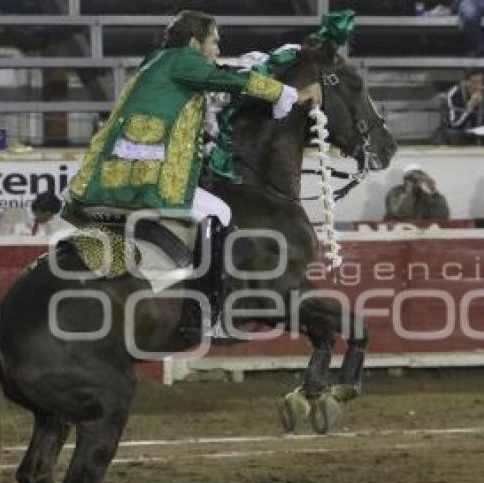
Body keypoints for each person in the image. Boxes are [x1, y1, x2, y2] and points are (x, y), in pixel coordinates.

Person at [64, 9, 321, 331]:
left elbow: (221, 73)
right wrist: (292, 94)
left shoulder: (159, 60)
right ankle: (205, 307)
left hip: (118, 176)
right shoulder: (182, 60)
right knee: (221, 213)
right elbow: (226, 79)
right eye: (213, 42)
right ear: (193, 41)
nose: (216, 49)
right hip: (149, 180)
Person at [444, 68, 484, 145]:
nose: (478, 86)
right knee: (454, 136)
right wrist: (469, 108)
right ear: (464, 82)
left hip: (483, 134)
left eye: (480, 82)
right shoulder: (454, 94)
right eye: (474, 82)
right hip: (461, 133)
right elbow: (454, 123)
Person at [384, 164, 450, 221]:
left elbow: (442, 216)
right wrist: (408, 191)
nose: (415, 180)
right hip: (394, 231)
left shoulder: (424, 197)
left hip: (416, 232)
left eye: (419, 177)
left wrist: (433, 190)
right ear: (405, 179)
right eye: (412, 178)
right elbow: (401, 213)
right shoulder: (395, 193)